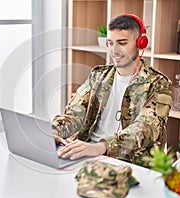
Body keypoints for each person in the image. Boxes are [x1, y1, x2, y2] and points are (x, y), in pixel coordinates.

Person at [52, 14, 172, 167]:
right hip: (89, 156)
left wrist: (101, 147)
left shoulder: (159, 85)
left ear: (140, 43)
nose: (114, 51)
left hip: (130, 162)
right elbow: (75, 113)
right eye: (110, 43)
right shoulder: (98, 76)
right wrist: (54, 131)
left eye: (122, 43)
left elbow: (144, 129)